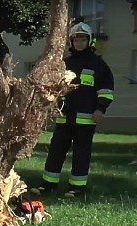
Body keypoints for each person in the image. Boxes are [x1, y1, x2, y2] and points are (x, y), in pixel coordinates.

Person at [30, 19, 115, 198]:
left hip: (86, 118)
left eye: (83, 39)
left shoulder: (98, 64)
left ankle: (77, 187)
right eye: (76, 40)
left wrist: (101, 109)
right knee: (56, 151)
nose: (79, 43)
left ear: (90, 40)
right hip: (64, 117)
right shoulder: (64, 64)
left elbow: (106, 89)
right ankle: (48, 184)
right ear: (71, 42)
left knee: (81, 153)